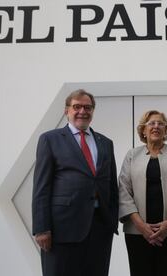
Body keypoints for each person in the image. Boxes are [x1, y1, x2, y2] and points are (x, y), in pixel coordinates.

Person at [32, 89, 118, 276]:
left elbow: (111, 185)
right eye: (76, 107)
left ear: (93, 111)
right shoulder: (50, 139)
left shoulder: (105, 143)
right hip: (61, 229)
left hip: (99, 227)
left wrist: (111, 221)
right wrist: (41, 228)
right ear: (66, 111)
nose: (82, 111)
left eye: (87, 107)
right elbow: (41, 187)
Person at [119, 110, 167, 276]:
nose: (156, 126)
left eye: (161, 123)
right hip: (138, 232)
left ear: (166, 129)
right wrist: (141, 226)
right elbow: (124, 191)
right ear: (143, 130)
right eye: (151, 123)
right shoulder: (132, 155)